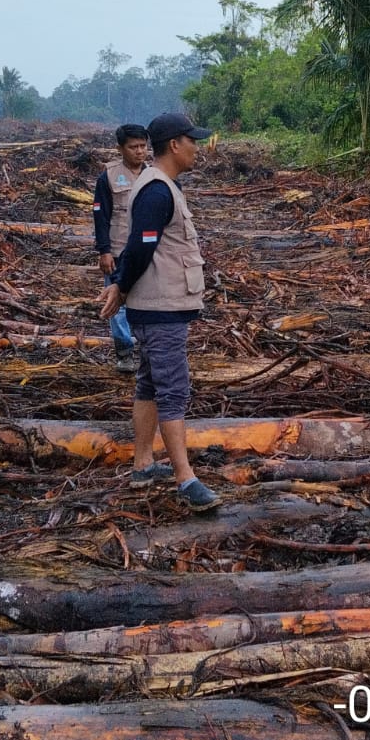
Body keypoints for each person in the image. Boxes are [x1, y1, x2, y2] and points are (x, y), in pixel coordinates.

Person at [98, 112, 220, 511]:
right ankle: (186, 479)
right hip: (159, 307)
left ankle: (143, 464)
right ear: (174, 145)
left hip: (161, 304)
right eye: (192, 141)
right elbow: (139, 246)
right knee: (173, 389)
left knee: (150, 383)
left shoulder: (163, 186)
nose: (197, 148)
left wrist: (121, 285)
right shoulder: (157, 192)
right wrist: (120, 285)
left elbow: (144, 245)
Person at [93, 123, 150, 374]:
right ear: (120, 148)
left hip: (147, 251)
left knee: (149, 300)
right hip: (117, 250)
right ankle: (125, 352)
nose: (139, 151)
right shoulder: (108, 177)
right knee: (117, 303)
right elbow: (101, 216)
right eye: (133, 147)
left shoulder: (154, 175)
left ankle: (148, 350)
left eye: (143, 146)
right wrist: (104, 251)